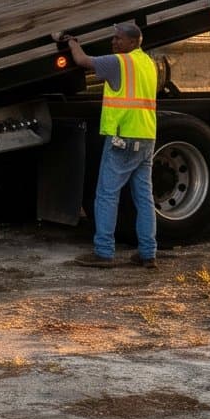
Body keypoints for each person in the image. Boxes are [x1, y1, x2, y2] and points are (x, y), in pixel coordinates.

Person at [60, 21, 160, 270]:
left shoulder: (119, 63)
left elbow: (83, 61)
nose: (113, 42)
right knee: (144, 198)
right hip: (146, 136)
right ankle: (148, 254)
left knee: (106, 194)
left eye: (118, 38)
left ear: (132, 42)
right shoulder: (148, 63)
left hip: (122, 139)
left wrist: (70, 41)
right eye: (114, 38)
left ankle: (104, 252)